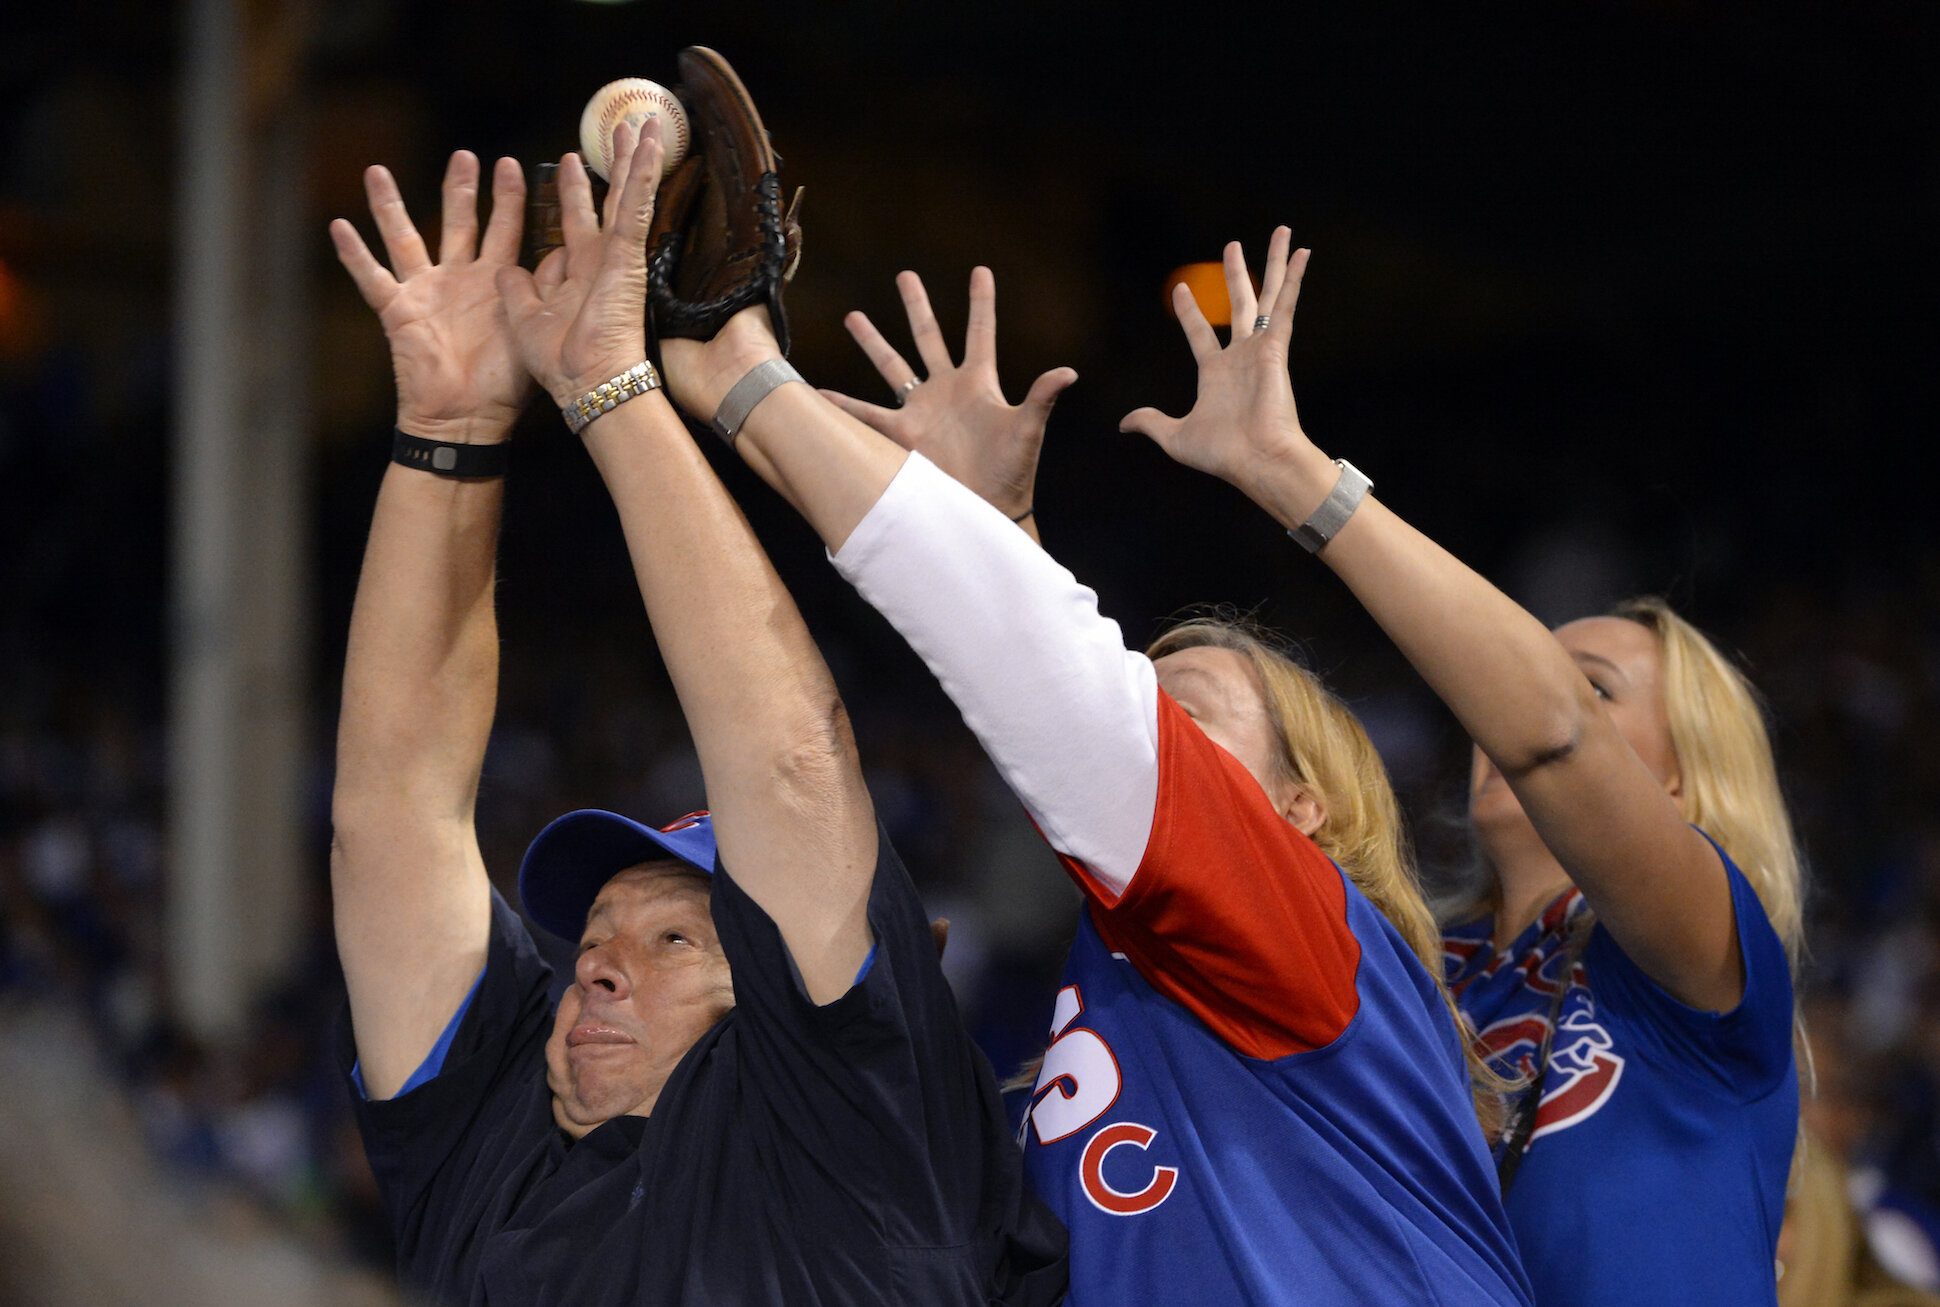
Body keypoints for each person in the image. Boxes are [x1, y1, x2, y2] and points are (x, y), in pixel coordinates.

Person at [663, 273, 1533, 1300]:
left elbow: (1073, 705)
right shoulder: (1117, 1000)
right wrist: (996, 529)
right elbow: (1074, 718)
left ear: (1303, 809)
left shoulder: (1316, 934)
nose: (1156, 733)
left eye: (1191, 720)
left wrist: (748, 385)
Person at [326, 121, 1065, 1306]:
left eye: (677, 939)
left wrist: (613, 392)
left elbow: (785, 761)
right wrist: (451, 431)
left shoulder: (843, 1132)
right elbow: (392, 814)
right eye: (597, 940)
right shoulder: (495, 1149)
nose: (600, 969)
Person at [1113, 229, 1801, 1304]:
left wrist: (1289, 471)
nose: (1507, 700)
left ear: (1673, 787)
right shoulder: (1402, 959)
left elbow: (1549, 733)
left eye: (1595, 684)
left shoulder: (1707, 957)